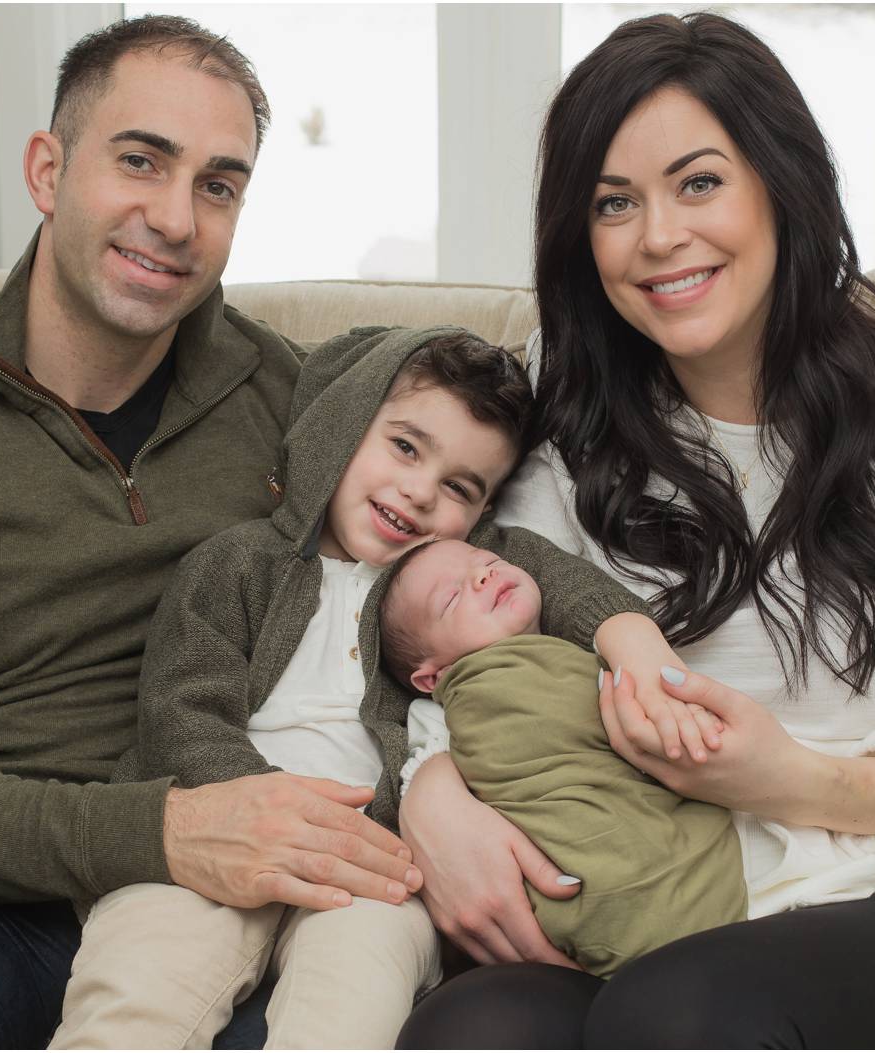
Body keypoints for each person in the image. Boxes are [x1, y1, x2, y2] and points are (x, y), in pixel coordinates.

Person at [395, 12, 875, 1049]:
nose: (657, 238)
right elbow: (454, 636)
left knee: (680, 1014)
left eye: (698, 182)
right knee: (474, 1031)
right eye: (612, 203)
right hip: (654, 899)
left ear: (780, 184)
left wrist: (795, 782)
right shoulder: (559, 418)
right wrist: (432, 795)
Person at [0, 16, 419, 1049]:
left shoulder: (302, 409)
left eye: (217, 184)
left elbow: (461, 569)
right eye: (140, 161)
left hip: (224, 909)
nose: (175, 217)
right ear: (48, 169)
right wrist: (166, 832)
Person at [49, 327, 680, 1048]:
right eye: (405, 447)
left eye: (459, 488)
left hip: (377, 865)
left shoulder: (463, 574)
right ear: (340, 426)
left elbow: (562, 583)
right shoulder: (240, 563)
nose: (418, 492)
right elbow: (180, 708)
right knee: (138, 988)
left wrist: (630, 635)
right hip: (213, 837)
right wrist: (257, 807)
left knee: (352, 1001)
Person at [379, 537, 746, 979]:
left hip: (652, 847)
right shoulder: (441, 711)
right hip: (567, 885)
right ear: (432, 677)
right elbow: (418, 766)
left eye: (489, 561)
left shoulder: (579, 658)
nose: (483, 575)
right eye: (453, 596)